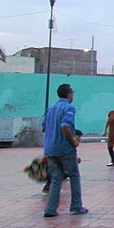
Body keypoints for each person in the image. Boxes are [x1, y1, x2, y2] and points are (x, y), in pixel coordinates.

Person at [43, 84, 88, 217]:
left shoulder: (50, 108)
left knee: (56, 178)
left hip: (50, 148)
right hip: (65, 148)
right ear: (69, 94)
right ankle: (76, 205)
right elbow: (65, 125)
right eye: (72, 92)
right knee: (74, 175)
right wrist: (73, 140)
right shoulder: (69, 108)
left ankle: (50, 209)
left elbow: (44, 126)